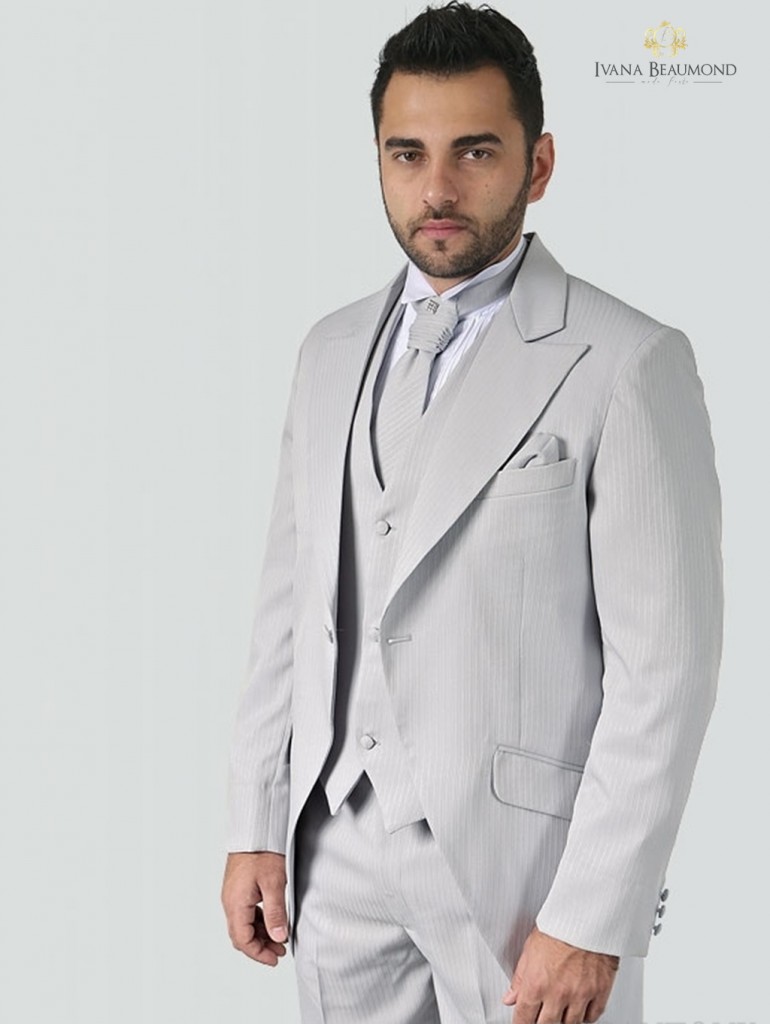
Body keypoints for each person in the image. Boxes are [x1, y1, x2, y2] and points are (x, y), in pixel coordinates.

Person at [220, 4, 723, 1022]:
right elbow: (288, 606)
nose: (437, 189)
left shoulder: (626, 361)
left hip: (522, 874)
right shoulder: (327, 352)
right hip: (334, 851)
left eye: (475, 151)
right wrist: (257, 821)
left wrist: (594, 914)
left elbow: (665, 670)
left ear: (538, 165)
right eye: (407, 154)